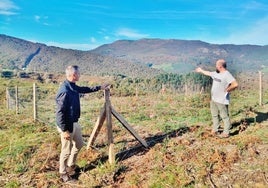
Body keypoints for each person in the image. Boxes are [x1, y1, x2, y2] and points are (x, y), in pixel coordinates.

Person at [55, 65, 109, 182]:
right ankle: (63, 174)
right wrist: (64, 130)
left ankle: (71, 165)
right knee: (66, 151)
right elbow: (59, 113)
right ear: (74, 75)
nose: (80, 75)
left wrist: (99, 87)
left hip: (74, 122)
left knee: (79, 144)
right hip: (67, 126)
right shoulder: (65, 90)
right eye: (78, 74)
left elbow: (84, 89)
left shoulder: (72, 87)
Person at [195, 59, 238, 138]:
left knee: (224, 116)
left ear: (220, 66)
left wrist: (228, 89)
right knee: (214, 115)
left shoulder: (226, 74)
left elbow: (235, 84)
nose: (215, 67)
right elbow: (208, 73)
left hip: (221, 100)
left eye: (216, 65)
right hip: (214, 99)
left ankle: (226, 132)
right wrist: (201, 70)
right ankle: (215, 130)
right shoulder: (216, 73)